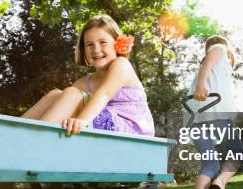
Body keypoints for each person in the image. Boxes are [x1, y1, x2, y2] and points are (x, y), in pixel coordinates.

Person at [22, 14, 155, 137]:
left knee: (72, 94)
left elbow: (104, 94)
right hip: (104, 122)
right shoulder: (86, 81)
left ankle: (36, 142)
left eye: (103, 42)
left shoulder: (122, 65)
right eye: (90, 45)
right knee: (56, 94)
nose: (96, 50)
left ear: (117, 44)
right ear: (83, 50)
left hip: (130, 129)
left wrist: (81, 120)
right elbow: (64, 102)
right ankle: (13, 132)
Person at [187, 36, 243, 189]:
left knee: (210, 163)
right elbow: (208, 63)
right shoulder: (219, 48)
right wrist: (202, 84)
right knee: (237, 154)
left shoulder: (213, 69)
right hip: (214, 110)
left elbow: (207, 66)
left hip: (195, 116)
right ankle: (220, 183)